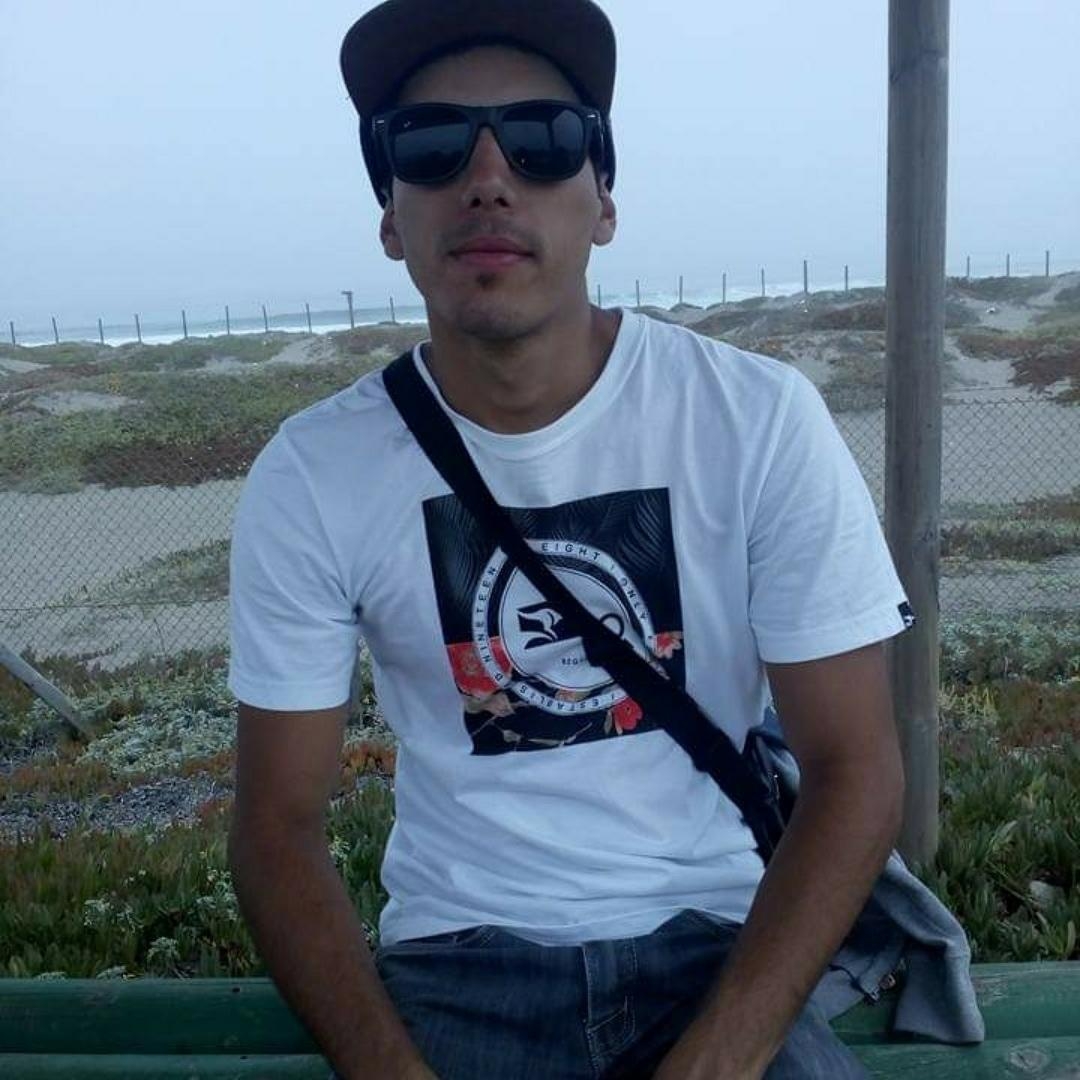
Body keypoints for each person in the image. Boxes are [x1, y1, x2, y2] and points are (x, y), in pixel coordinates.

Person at [226, 1, 914, 1077]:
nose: (488, 178)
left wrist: (721, 1058)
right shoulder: (315, 473)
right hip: (460, 967)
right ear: (390, 217)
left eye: (542, 139)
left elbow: (856, 769)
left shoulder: (754, 419)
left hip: (713, 951)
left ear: (604, 202)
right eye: (431, 144)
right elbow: (276, 825)